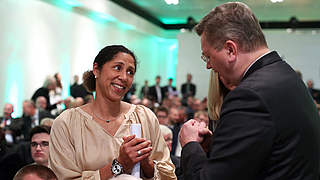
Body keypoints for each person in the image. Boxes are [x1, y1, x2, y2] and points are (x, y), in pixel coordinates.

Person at [179, 2, 320, 180]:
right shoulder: (286, 75)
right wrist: (216, 146)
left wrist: (190, 145)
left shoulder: (249, 96)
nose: (208, 65)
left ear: (231, 50)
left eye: (208, 56)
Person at [49, 45, 176, 180]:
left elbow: (168, 175)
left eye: (130, 72)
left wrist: (146, 164)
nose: (124, 77)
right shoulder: (67, 123)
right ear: (96, 69)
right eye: (117, 67)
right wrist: (119, 164)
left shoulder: (144, 117)